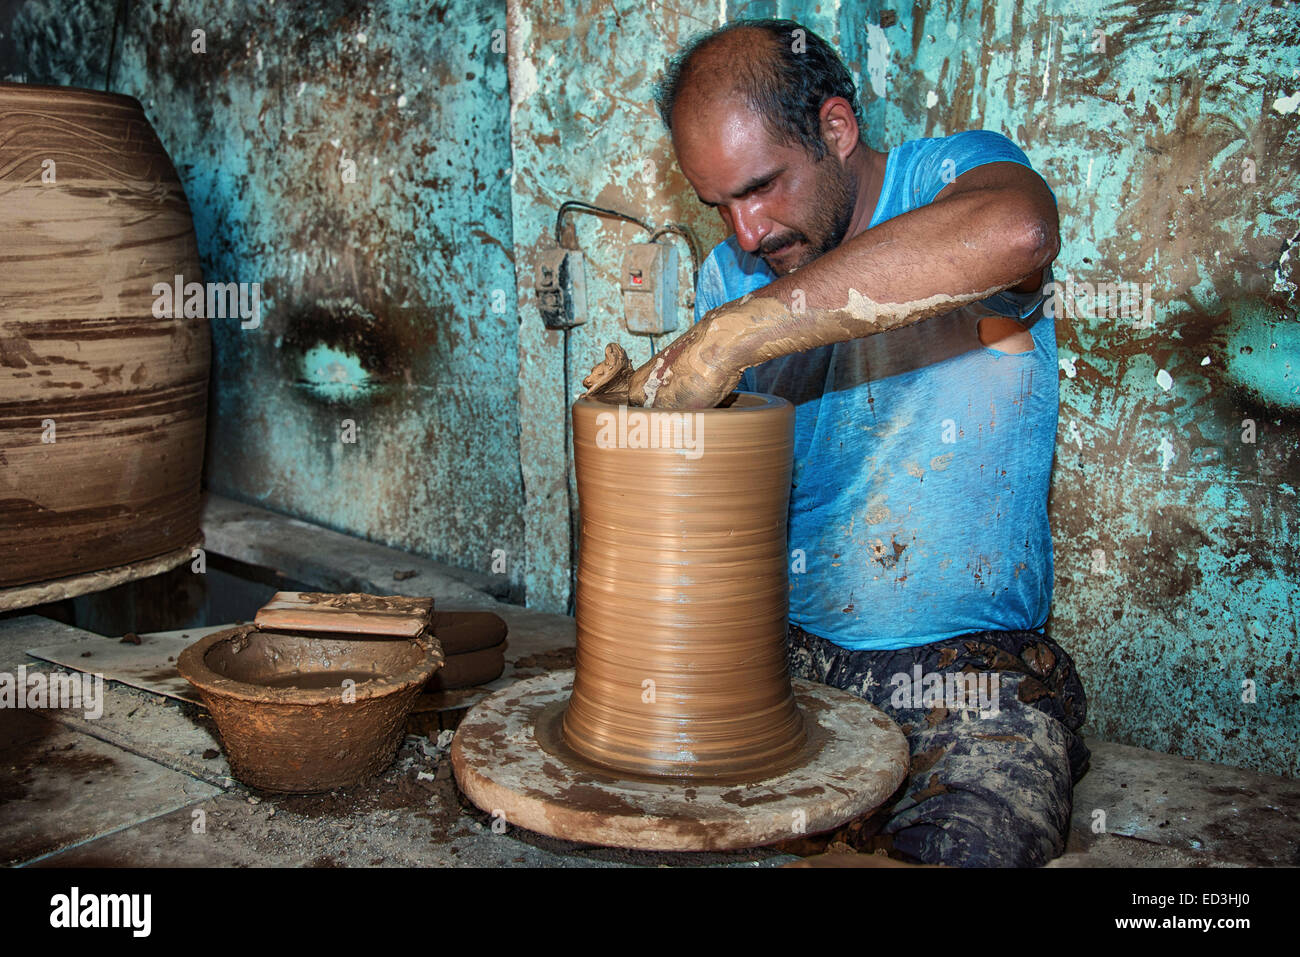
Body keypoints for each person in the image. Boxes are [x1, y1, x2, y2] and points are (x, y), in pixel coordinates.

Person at [599, 18, 1090, 866]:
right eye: (719, 204)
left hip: (962, 676)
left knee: (974, 845)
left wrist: (739, 335)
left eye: (761, 187)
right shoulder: (733, 273)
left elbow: (1017, 235)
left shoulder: (946, 180)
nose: (747, 231)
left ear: (835, 128)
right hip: (781, 662)